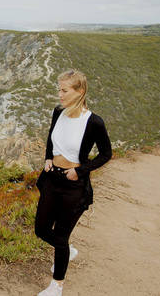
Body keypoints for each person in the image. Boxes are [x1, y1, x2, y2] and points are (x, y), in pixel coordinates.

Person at [34, 69, 112, 296]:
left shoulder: (94, 122)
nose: (60, 94)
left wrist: (81, 170)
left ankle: (56, 286)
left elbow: (106, 154)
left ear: (80, 91)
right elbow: (51, 137)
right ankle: (66, 250)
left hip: (73, 186)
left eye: (64, 90)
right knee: (41, 230)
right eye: (59, 89)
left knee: (60, 237)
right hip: (51, 179)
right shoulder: (58, 112)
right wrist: (48, 158)